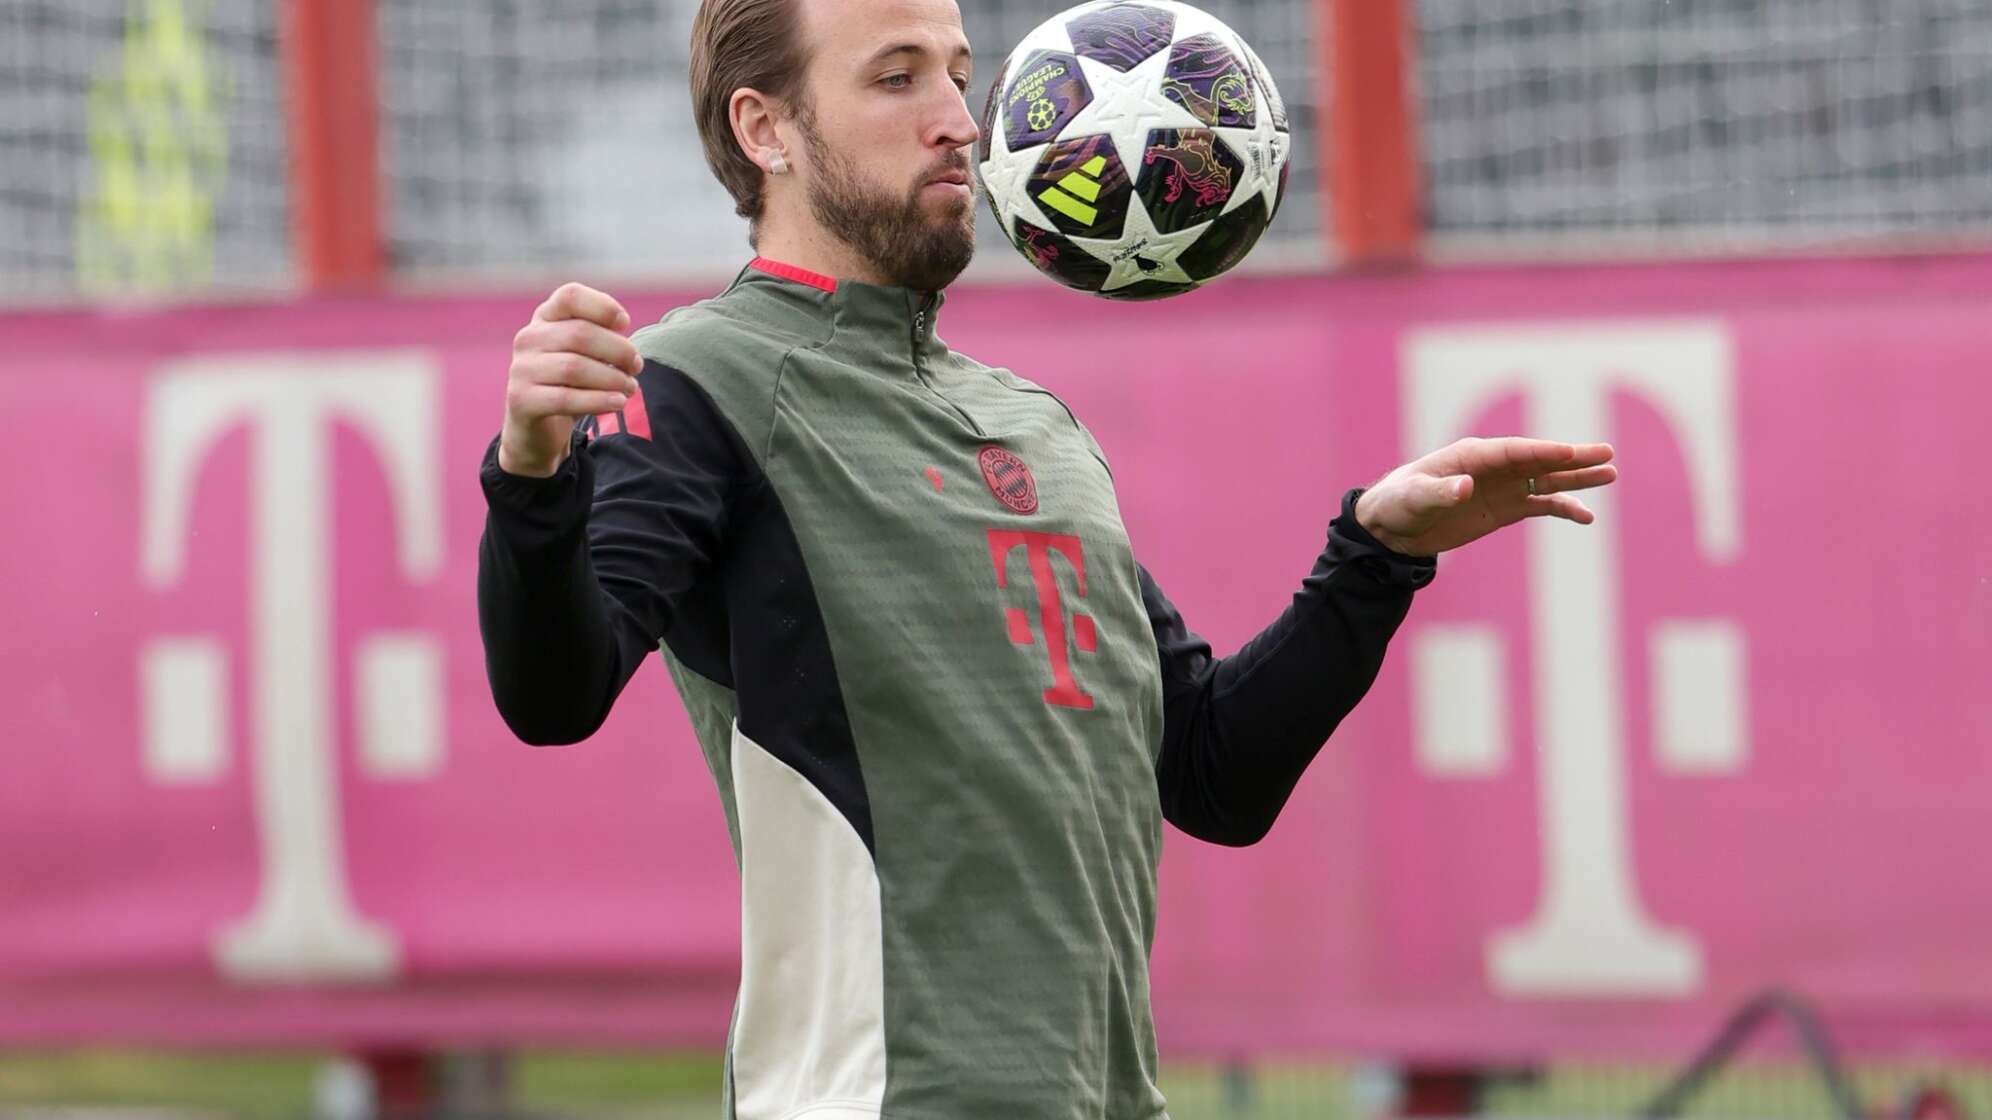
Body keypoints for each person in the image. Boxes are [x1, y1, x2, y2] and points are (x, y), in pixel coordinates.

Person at [475, 0, 1617, 1115]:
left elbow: (1215, 774)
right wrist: (531, 478)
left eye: (958, 73)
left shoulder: (1035, 425)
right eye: (896, 75)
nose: (961, 122)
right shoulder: (694, 382)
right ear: (764, 129)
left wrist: (1373, 555)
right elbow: (555, 696)